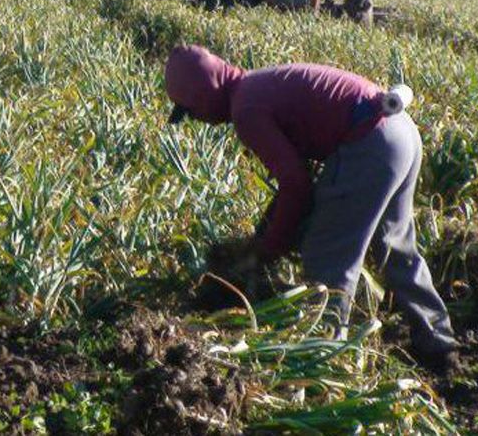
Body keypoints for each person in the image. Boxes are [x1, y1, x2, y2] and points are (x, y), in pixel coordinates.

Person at [164, 45, 458, 374]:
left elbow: (296, 184)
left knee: (327, 257)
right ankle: (438, 343)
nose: (199, 120)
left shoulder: (245, 110)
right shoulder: (260, 84)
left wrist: (269, 249)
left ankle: (326, 359)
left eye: (191, 112)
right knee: (396, 245)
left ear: (203, 97)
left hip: (369, 143)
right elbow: (296, 183)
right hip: (400, 130)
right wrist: (268, 232)